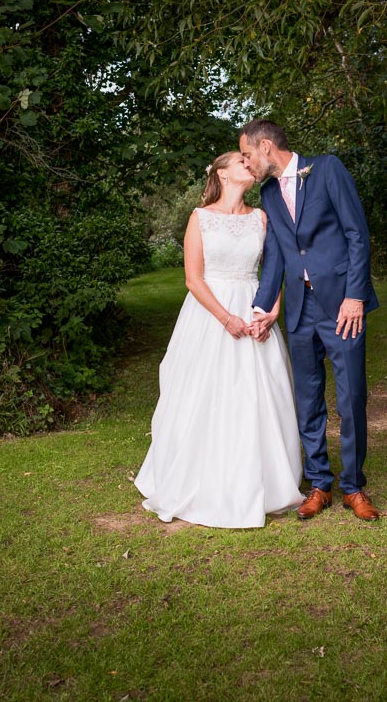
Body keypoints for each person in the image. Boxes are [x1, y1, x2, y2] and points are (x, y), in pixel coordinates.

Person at [134, 151, 305, 528]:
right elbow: (194, 279)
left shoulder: (261, 217)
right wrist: (226, 318)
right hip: (211, 314)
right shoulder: (200, 218)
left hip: (254, 307)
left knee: (260, 393)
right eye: (242, 162)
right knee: (204, 394)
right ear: (223, 174)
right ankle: (202, 478)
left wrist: (271, 312)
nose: (250, 165)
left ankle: (267, 480)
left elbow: (274, 270)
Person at [239, 120, 382, 522]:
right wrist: (262, 308)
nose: (247, 164)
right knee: (307, 399)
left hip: (341, 305)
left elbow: (357, 233)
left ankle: (354, 486)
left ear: (266, 147)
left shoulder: (327, 169)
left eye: (247, 155)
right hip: (300, 309)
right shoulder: (269, 192)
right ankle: (319, 482)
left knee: (351, 395)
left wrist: (355, 295)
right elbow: (277, 254)